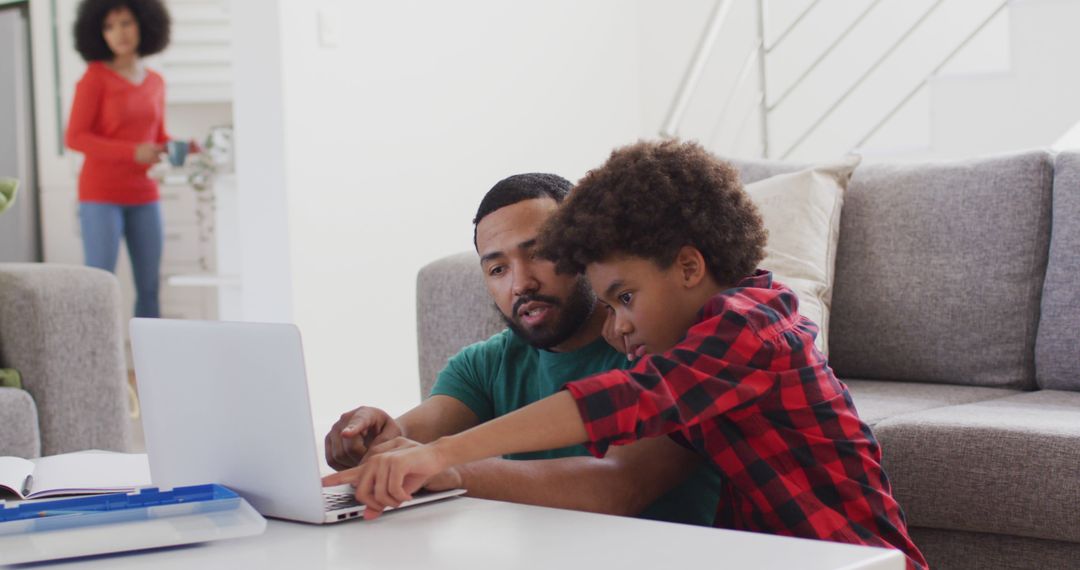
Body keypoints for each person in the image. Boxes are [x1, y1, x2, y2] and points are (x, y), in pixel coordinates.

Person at [327, 142, 928, 570]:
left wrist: (443, 457)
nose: (617, 327)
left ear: (689, 267)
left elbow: (626, 410)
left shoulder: (749, 327)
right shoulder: (696, 347)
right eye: (497, 266)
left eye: (625, 298)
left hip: (856, 559)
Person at [323, 173, 721, 525]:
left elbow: (619, 485)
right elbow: (412, 438)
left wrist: (455, 471)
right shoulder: (484, 364)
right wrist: (374, 441)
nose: (521, 283)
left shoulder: (659, 341)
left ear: (587, 250)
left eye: (540, 254)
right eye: (498, 269)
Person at [66, 0, 182, 318]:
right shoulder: (94, 78)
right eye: (109, 26)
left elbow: (157, 135)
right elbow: (75, 137)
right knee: (99, 285)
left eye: (126, 23)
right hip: (101, 196)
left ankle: (151, 363)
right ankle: (94, 364)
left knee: (149, 287)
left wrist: (181, 147)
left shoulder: (156, 81)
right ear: (97, 33)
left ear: (145, 25)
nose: (119, 33)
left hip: (145, 195)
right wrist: (132, 152)